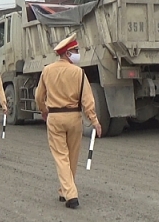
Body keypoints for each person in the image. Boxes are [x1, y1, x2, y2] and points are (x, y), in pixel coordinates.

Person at [34, 33, 103, 209]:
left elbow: (39, 96)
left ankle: (70, 194)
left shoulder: (47, 70)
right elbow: (88, 99)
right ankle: (65, 190)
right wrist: (94, 120)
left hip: (55, 117)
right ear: (66, 53)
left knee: (61, 156)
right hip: (74, 118)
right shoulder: (79, 73)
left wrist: (44, 111)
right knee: (72, 156)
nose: (78, 53)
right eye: (75, 50)